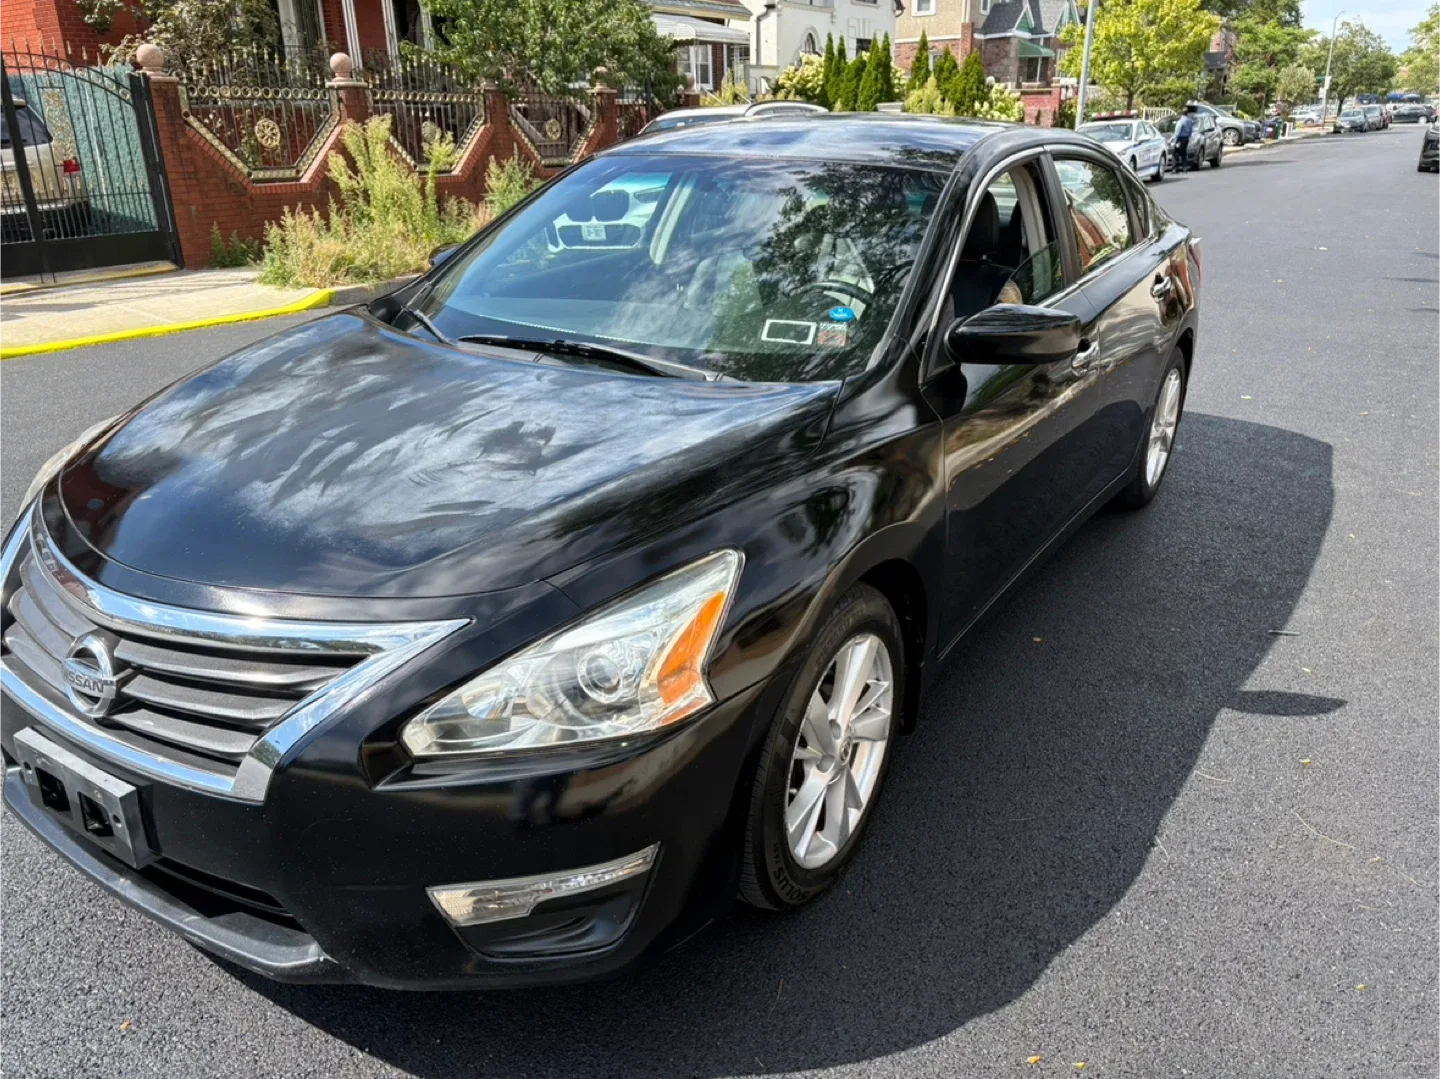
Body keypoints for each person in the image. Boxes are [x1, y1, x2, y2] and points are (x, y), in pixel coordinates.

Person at [1175, 105, 1196, 171]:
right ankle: (1184, 167)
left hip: (1180, 138)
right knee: (1183, 152)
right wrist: (1188, 136)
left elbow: (1178, 130)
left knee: (1176, 152)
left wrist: (1176, 137)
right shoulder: (1190, 120)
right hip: (1186, 138)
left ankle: (1175, 168)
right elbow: (1191, 130)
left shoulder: (1181, 120)